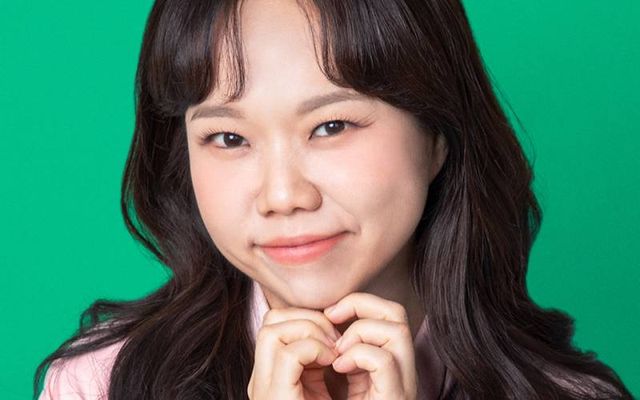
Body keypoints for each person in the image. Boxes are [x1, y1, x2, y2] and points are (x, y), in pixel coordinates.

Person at [34, 0, 633, 399]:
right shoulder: (97, 386)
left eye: (331, 126)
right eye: (229, 138)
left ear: (436, 135)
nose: (283, 196)